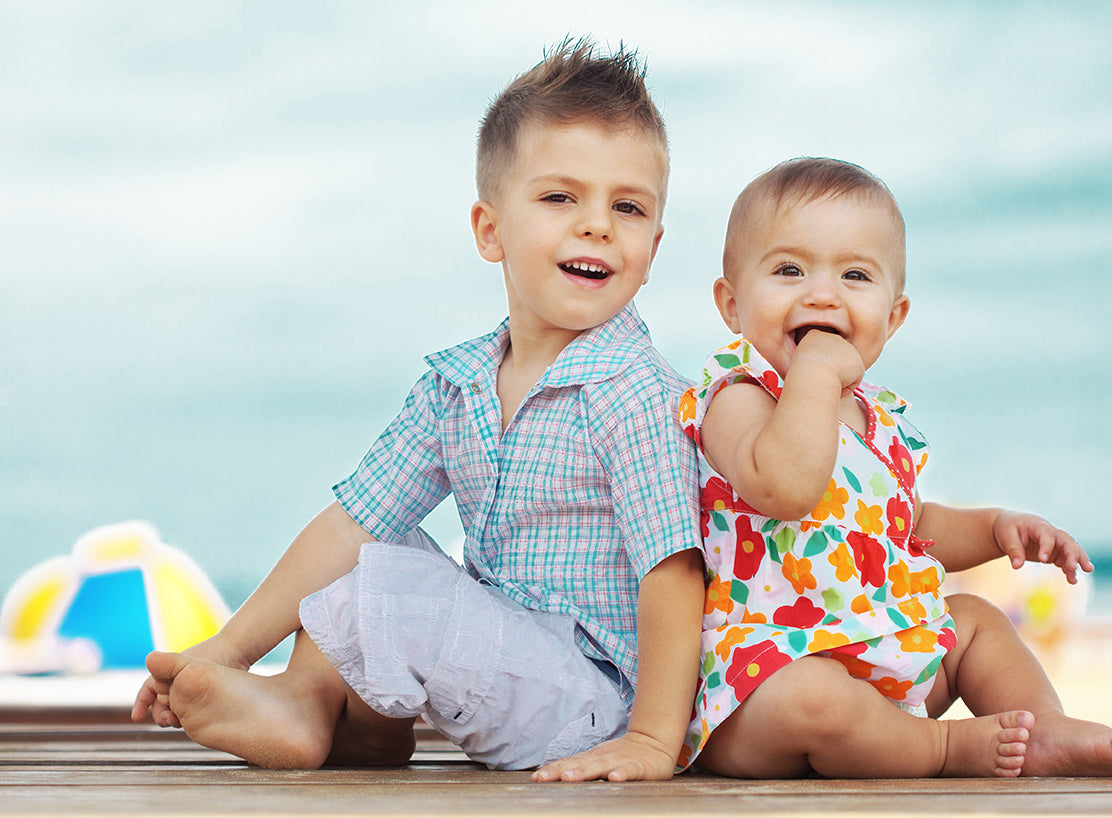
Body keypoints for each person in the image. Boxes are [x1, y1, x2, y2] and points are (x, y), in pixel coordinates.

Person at [130, 38, 704, 782]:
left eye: (627, 207)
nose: (597, 224)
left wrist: (654, 740)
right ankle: (356, 724)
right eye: (561, 197)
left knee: (387, 581)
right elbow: (353, 521)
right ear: (490, 230)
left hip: (594, 706)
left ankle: (306, 706)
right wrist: (224, 650)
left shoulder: (634, 393)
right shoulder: (457, 384)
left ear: (652, 248)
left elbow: (675, 571)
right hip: (509, 677)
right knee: (362, 549)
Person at [675, 157, 1112, 778]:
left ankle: (1041, 728)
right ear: (732, 305)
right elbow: (784, 487)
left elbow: (911, 524)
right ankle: (946, 747)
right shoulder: (736, 396)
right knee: (815, 697)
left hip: (882, 665)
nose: (822, 294)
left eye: (854, 275)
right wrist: (817, 374)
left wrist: (994, 528)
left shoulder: (880, 421)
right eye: (790, 270)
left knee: (975, 622)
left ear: (892, 318)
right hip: (762, 683)